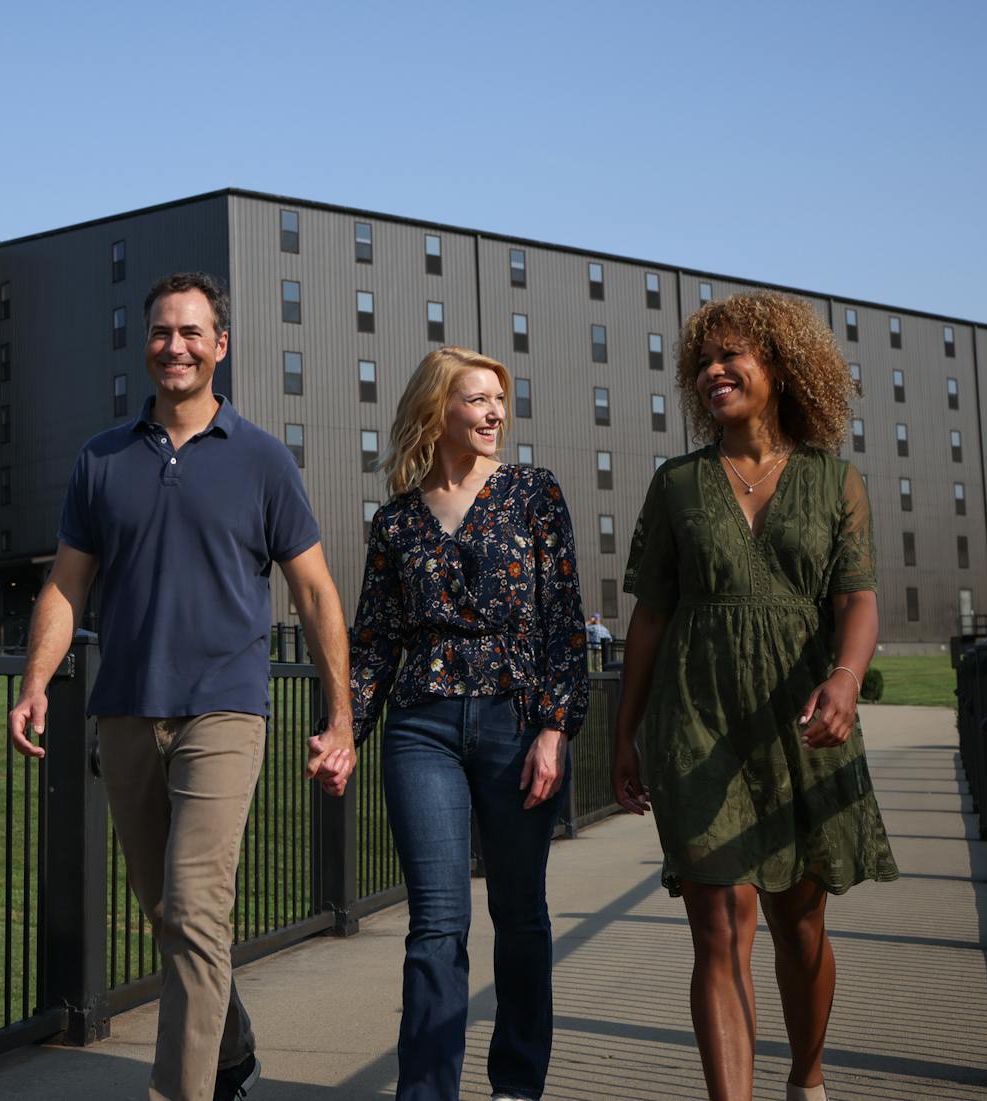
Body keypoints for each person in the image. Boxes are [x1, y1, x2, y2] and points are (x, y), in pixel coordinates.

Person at [9, 271, 355, 1101]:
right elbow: (65, 586)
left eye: (193, 332)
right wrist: (35, 683)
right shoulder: (102, 458)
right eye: (163, 332)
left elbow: (314, 591)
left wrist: (341, 714)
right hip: (125, 708)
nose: (176, 346)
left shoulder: (264, 459)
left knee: (196, 910)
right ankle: (229, 1047)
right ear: (148, 346)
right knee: (169, 914)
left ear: (220, 346)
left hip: (225, 709)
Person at [612, 291, 899, 1101]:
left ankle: (806, 1078)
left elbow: (858, 599)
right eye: (703, 361)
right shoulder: (677, 485)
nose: (713, 371)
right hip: (695, 722)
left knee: (799, 924)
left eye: (732, 355)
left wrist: (844, 678)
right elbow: (650, 617)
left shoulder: (835, 481)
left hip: (801, 722)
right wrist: (626, 732)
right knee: (717, 930)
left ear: (781, 364)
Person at [349, 347, 587, 1101]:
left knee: (518, 914)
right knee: (436, 926)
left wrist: (554, 728)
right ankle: (425, 1093)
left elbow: (563, 624)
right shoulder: (395, 522)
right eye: (476, 399)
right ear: (437, 408)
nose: (493, 413)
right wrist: (341, 730)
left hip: (514, 726)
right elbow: (375, 640)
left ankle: (517, 1082)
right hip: (419, 730)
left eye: (498, 400)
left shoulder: (532, 493)